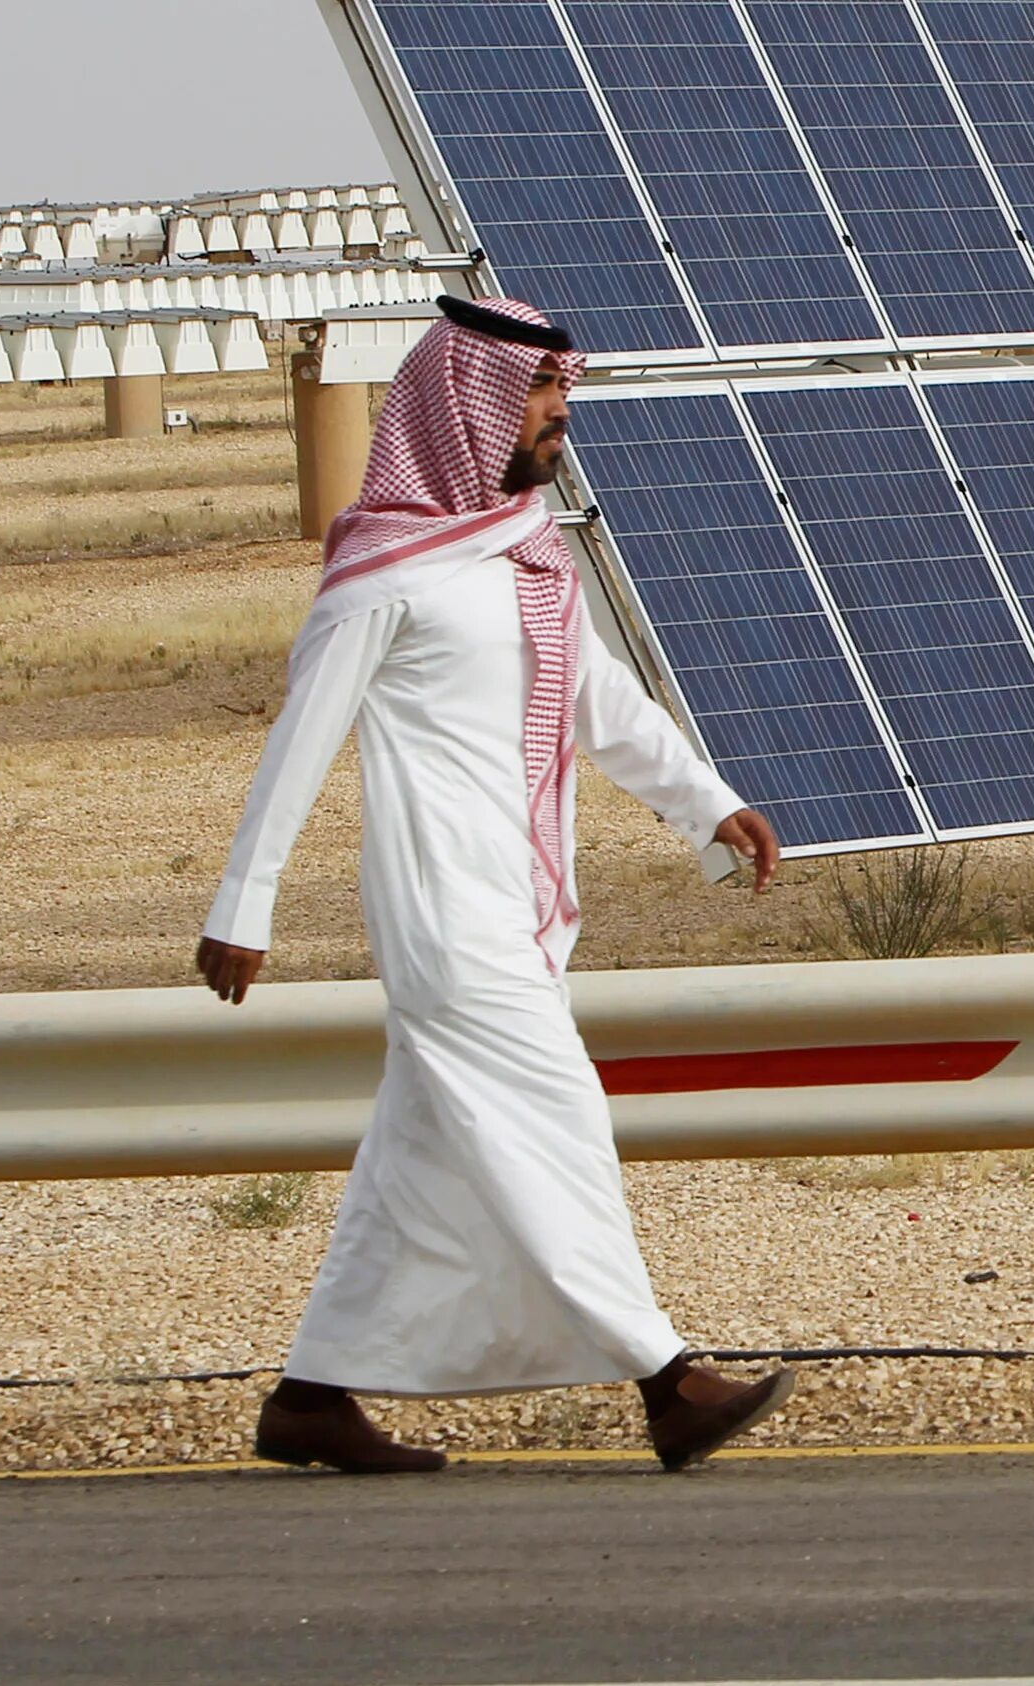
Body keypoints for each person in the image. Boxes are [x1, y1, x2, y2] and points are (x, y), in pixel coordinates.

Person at [196, 294, 792, 1475]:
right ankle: (669, 1381)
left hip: (521, 902)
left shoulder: (524, 550)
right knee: (553, 1116)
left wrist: (703, 800)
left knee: (421, 1158)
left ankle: (311, 1399)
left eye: (562, 392)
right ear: (471, 407)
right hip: (441, 907)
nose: (560, 413)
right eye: (540, 393)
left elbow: (599, 704)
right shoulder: (385, 570)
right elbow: (299, 743)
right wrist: (242, 906)